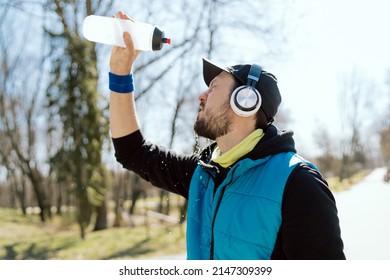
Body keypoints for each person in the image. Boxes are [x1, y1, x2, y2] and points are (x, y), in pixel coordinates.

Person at [108, 11, 345, 260]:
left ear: (245, 101)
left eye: (214, 87)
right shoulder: (202, 174)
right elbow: (131, 151)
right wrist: (120, 75)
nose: (202, 95)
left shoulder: (299, 183)